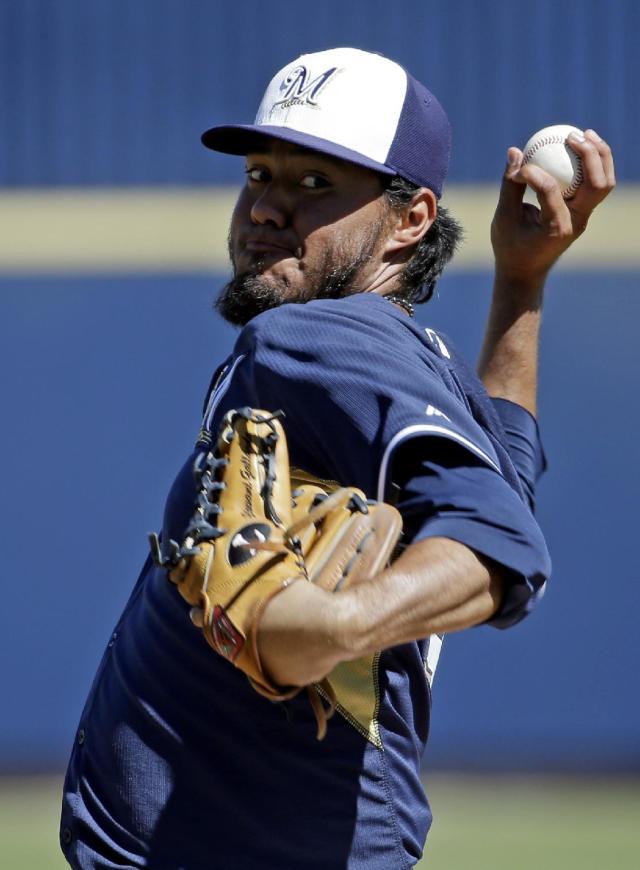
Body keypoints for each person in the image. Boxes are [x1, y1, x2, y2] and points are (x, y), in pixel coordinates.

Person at [60, 47, 614, 869]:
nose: (267, 210)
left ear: (412, 218)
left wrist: (334, 625)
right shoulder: (420, 361)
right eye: (259, 175)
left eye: (315, 185)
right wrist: (521, 282)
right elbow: (509, 487)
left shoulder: (309, 334)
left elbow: (500, 545)